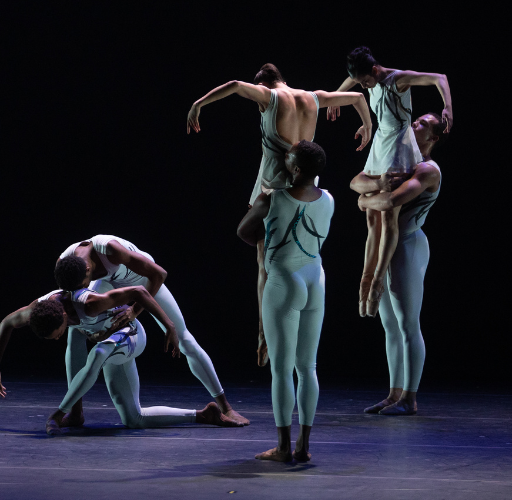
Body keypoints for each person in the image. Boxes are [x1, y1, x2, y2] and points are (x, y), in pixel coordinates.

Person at [187, 63, 371, 365]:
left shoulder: (268, 97)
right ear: (284, 79)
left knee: (266, 262)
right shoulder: (312, 97)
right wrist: (367, 126)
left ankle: (265, 337)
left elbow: (234, 83)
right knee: (303, 256)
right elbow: (358, 98)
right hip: (307, 188)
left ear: (266, 84)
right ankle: (298, 328)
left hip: (274, 186)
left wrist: (198, 104)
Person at [53, 236, 250, 425]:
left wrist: (134, 311)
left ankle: (225, 407)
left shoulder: (111, 250)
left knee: (184, 340)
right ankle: (76, 412)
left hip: (142, 282)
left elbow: (159, 274)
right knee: (76, 328)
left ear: (87, 269)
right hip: (107, 283)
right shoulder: (65, 263)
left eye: (82, 286)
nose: (81, 290)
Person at [0, 286, 241, 434]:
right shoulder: (41, 307)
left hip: (131, 335)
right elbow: (6, 323)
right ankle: (203, 415)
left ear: (64, 317)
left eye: (56, 333)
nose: (55, 339)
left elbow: (140, 291)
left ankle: (59, 413)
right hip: (113, 347)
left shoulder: (88, 304)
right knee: (134, 419)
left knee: (97, 352)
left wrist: (170, 326)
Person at [326, 47, 453, 317]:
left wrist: (448, 107)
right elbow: (352, 81)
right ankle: (365, 278)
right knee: (372, 218)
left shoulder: (398, 80)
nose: (362, 86)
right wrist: (337, 97)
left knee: (387, 217)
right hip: (380, 143)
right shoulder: (367, 79)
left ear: (374, 70)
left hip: (398, 143)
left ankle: (377, 282)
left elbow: (438, 78)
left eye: (364, 81)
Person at [237, 140, 332, 462]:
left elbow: (243, 233)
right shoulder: (329, 199)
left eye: (287, 161)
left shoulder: (272, 198)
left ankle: (282, 447)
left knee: (281, 370)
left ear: (295, 168)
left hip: (283, 281)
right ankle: (303, 446)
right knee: (308, 368)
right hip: (315, 280)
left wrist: (265, 227)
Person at [353, 113, 445, 415]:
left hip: (408, 246)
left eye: (421, 124)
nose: (413, 123)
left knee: (407, 324)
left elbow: (391, 201)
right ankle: (394, 394)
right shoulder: (397, 161)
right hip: (387, 247)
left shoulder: (427, 170)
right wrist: (369, 189)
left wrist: (365, 201)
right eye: (415, 119)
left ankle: (410, 397)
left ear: (432, 139)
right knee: (390, 326)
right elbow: (356, 181)